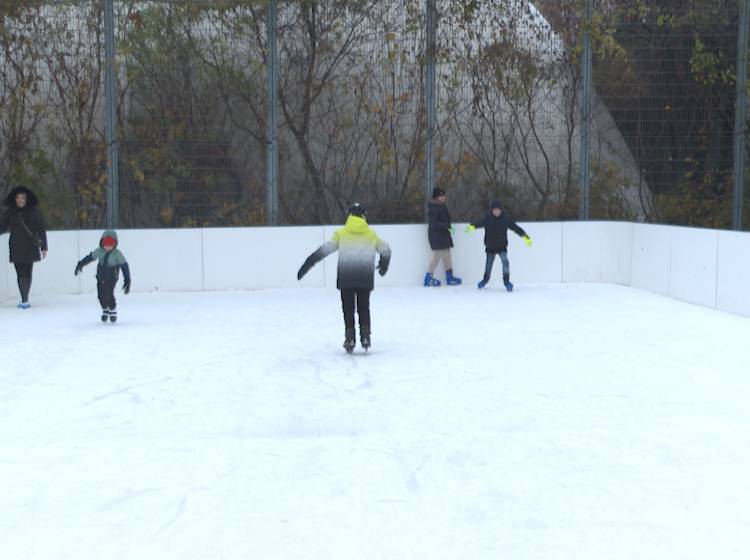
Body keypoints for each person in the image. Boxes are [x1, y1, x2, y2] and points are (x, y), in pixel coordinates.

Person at [297, 203, 391, 353]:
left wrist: (308, 264)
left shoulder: (341, 233)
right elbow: (386, 250)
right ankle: (365, 336)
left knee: (348, 309)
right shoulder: (371, 235)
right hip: (364, 278)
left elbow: (324, 251)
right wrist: (383, 266)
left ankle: (350, 338)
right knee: (363, 307)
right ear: (364, 217)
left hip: (346, 278)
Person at [465, 200, 532, 292]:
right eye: (495, 210)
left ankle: (506, 281)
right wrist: (471, 227)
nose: (497, 212)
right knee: (488, 265)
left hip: (502, 247)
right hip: (490, 247)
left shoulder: (505, 220)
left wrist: (525, 236)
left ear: (501, 210)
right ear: (492, 210)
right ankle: (485, 280)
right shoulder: (488, 219)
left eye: (498, 210)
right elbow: (478, 224)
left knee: (505, 262)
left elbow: (515, 228)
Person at [0, 186, 48, 309]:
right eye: (18, 198)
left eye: (23, 198)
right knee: (20, 273)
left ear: (27, 199)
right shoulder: (10, 212)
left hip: (30, 246)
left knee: (27, 271)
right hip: (16, 246)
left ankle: (24, 298)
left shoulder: (34, 212)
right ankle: (24, 297)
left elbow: (41, 229)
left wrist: (44, 247)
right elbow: (2, 227)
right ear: (15, 199)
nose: (20, 200)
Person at [74, 230, 131, 323]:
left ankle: (112, 308)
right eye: (105, 244)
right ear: (102, 243)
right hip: (101, 276)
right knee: (100, 295)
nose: (108, 247)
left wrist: (127, 279)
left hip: (112, 276)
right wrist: (80, 264)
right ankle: (105, 308)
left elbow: (124, 266)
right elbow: (90, 258)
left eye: (110, 244)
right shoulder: (99, 251)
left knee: (108, 293)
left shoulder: (117, 254)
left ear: (115, 244)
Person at [425, 187, 461, 286]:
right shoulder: (434, 208)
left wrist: (448, 228)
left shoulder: (442, 206)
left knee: (447, 255)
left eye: (443, 195)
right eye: (441, 195)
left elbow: (444, 221)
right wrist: (446, 226)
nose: (443, 197)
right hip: (436, 236)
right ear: (436, 197)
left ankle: (450, 277)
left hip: (443, 235)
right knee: (437, 256)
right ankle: (428, 277)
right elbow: (434, 224)